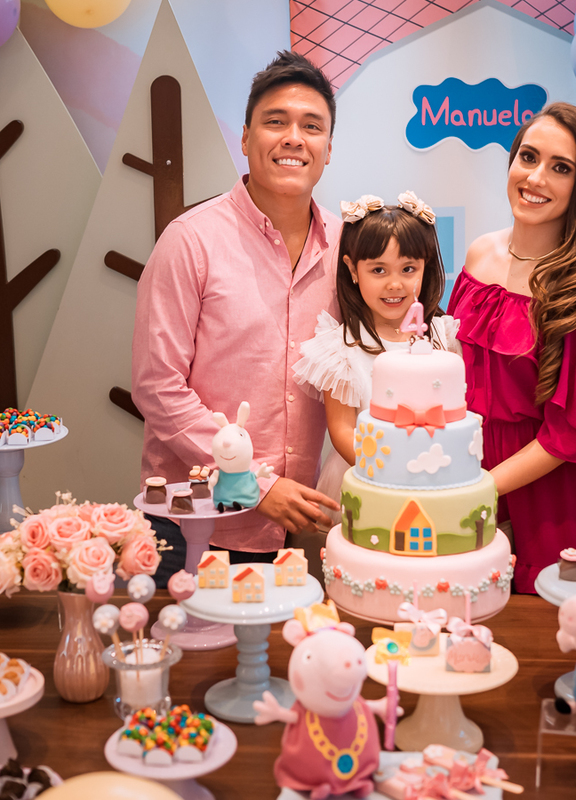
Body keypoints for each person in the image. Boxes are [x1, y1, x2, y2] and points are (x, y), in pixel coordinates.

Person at [132, 51, 341, 584]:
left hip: (299, 529)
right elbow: (158, 387)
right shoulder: (191, 240)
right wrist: (255, 484)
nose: (294, 138)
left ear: (328, 148)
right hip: (194, 524)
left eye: (311, 126)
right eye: (276, 122)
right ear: (246, 139)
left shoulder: (347, 249)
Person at [447, 102, 576, 593]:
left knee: (560, 628)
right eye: (528, 157)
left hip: (561, 507)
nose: (536, 177)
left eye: (561, 168)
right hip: (476, 482)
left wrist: (481, 488)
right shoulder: (480, 255)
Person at [292, 192, 458, 525]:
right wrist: (390, 474)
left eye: (408, 269)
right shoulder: (341, 347)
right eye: (378, 270)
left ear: (425, 268)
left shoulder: (444, 337)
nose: (395, 284)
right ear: (353, 269)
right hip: (364, 477)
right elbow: (342, 430)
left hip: (434, 476)